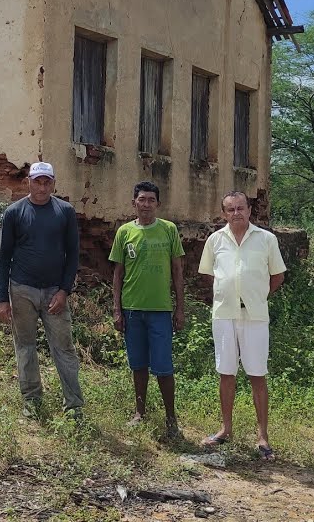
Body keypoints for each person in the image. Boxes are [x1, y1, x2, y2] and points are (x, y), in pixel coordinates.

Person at [197, 191, 286, 459]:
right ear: (223, 213)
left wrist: (256, 297)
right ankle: (225, 429)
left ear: (250, 210)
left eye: (241, 208)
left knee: (257, 374)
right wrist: (230, 296)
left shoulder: (266, 239)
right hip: (224, 315)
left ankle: (262, 436)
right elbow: (209, 276)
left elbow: (277, 276)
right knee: (226, 373)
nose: (236, 213)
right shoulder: (215, 240)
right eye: (230, 209)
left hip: (255, 316)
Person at [0, 161, 84, 420]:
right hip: (22, 289)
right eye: (37, 181)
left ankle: (74, 404)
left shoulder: (64, 211)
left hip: (54, 292)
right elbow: (3, 258)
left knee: (64, 347)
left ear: (53, 183)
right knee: (25, 346)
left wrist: (64, 290)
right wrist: (2, 299)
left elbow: (73, 255)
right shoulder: (14, 213)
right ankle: (32, 400)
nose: (42, 187)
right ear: (29, 182)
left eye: (47, 182)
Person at [109, 181, 185, 438]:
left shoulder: (169, 230)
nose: (146, 204)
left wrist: (180, 309)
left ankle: (171, 419)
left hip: (160, 310)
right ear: (134, 202)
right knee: (138, 365)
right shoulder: (124, 232)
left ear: (158, 204)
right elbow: (118, 274)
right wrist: (117, 310)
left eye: (151, 200)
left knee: (163, 367)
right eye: (142, 199)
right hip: (132, 310)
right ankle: (140, 413)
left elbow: (177, 271)